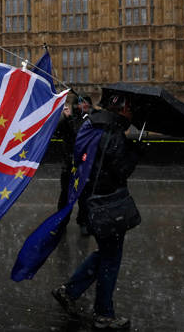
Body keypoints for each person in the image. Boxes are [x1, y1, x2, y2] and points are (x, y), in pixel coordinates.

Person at [52, 94, 141, 329]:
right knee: (111, 258)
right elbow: (121, 170)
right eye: (131, 109)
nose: (133, 115)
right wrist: (134, 152)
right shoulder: (113, 133)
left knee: (106, 253)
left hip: (91, 198)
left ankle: (70, 291)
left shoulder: (92, 124)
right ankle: (103, 314)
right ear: (122, 109)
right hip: (108, 202)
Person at [54, 93, 93, 235]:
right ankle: (61, 222)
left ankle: (83, 222)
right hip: (69, 164)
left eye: (87, 102)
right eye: (82, 102)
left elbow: (78, 134)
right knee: (65, 195)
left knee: (84, 197)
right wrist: (65, 117)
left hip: (84, 164)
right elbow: (57, 133)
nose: (85, 105)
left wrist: (69, 119)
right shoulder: (68, 119)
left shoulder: (90, 120)